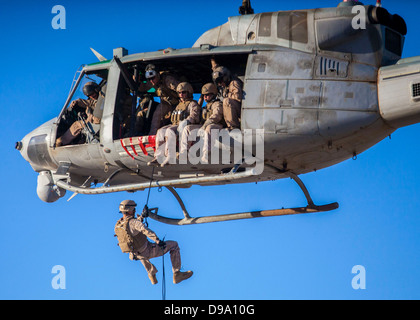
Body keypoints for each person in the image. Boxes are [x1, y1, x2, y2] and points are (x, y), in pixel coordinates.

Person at [114, 200, 193, 285]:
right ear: (130, 210)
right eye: (134, 209)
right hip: (147, 250)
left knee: (140, 253)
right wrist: (157, 240)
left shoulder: (119, 224)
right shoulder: (133, 222)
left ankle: (151, 275)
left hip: (134, 254)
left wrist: (142, 217)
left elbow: (133, 229)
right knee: (174, 245)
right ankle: (177, 274)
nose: (135, 210)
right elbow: (144, 230)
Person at [148, 82, 201, 167]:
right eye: (179, 93)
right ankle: (159, 156)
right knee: (161, 131)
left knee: (169, 131)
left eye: (183, 92)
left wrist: (187, 121)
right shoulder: (178, 105)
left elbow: (194, 115)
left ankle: (170, 156)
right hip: (175, 125)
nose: (181, 94)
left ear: (188, 92)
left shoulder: (192, 104)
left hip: (184, 126)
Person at [180, 83, 225, 163]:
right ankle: (184, 152)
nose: (205, 97)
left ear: (213, 94)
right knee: (187, 129)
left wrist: (204, 126)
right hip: (204, 125)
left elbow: (216, 116)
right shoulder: (205, 106)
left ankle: (206, 154)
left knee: (209, 128)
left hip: (217, 125)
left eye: (207, 95)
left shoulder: (217, 104)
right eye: (203, 95)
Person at [137, 64, 180, 135]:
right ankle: (152, 135)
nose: (151, 81)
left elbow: (181, 89)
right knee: (157, 115)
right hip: (165, 104)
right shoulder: (153, 83)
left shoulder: (168, 80)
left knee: (177, 119)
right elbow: (143, 88)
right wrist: (137, 81)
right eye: (149, 79)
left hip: (177, 103)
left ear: (157, 75)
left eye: (153, 78)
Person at [56, 82, 103, 146]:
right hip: (98, 119)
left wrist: (90, 116)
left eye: (92, 94)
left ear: (96, 89)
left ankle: (60, 143)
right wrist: (76, 102)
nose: (91, 96)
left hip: (98, 120)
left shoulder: (102, 97)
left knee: (77, 125)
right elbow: (88, 103)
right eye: (89, 96)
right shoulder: (97, 99)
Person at [211, 58, 243, 130]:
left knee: (226, 101)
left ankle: (233, 126)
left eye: (221, 80)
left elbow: (238, 97)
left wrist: (226, 96)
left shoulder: (234, 83)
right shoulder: (225, 87)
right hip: (234, 110)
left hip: (239, 108)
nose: (220, 84)